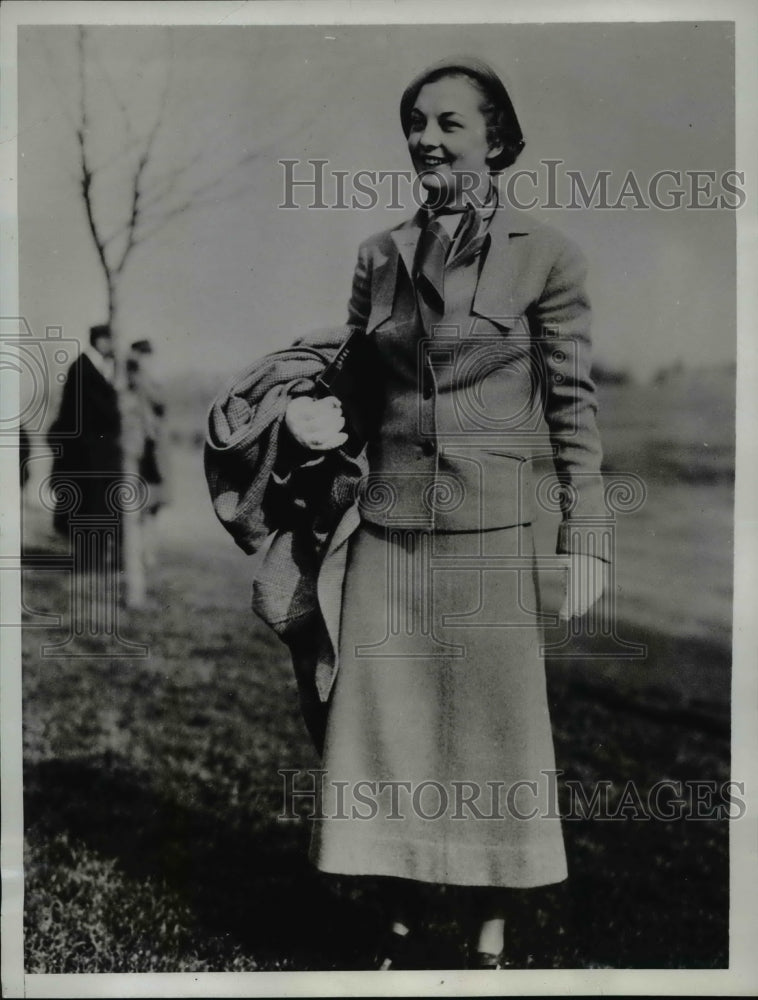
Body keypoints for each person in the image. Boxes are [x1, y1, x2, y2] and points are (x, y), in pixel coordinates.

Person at [206, 55, 608, 971]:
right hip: (386, 536)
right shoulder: (378, 256)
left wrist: (590, 534)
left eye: (449, 124)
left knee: (495, 742)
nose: (427, 138)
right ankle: (395, 921)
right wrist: (306, 422)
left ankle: (489, 933)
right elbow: (352, 382)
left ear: (497, 139)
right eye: (416, 124)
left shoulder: (551, 257)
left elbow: (576, 408)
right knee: (388, 734)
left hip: (490, 539)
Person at [47, 323, 122, 548]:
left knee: (93, 503)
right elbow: (98, 410)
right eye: (111, 340)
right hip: (86, 453)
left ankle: (92, 551)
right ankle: (89, 556)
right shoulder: (83, 368)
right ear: (100, 341)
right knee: (89, 504)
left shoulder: (90, 366)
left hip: (91, 452)